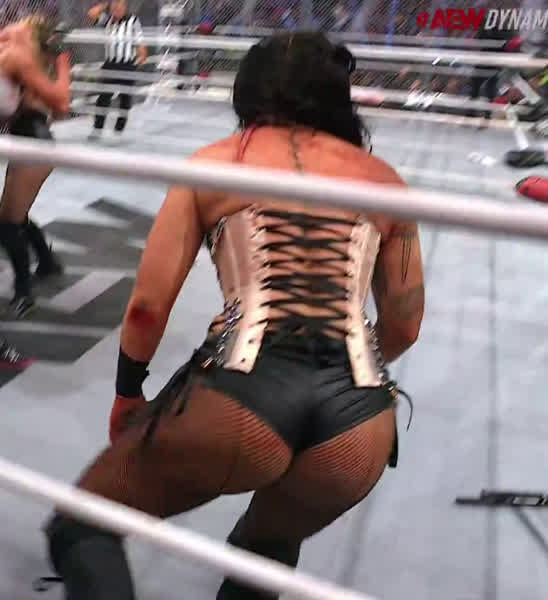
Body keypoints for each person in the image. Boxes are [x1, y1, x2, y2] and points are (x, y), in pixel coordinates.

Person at [44, 33, 424, 600]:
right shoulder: (383, 181)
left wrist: (128, 391)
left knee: (83, 524)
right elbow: (405, 324)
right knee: (266, 547)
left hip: (244, 392)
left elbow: (147, 306)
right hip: (358, 421)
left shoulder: (221, 164)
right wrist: (347, 364)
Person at [0, 14, 68, 322]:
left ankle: (24, 293)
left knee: (7, 223)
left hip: (35, 146)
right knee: (15, 214)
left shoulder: (28, 65)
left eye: (22, 27)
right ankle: (47, 261)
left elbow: (61, 108)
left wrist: (64, 67)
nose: (12, 29)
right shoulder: (23, 60)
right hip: (25, 144)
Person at [87, 0, 147, 140]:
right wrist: (106, 5)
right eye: (115, 6)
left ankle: (120, 126)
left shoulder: (133, 20)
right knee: (103, 98)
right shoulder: (107, 20)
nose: (117, 8)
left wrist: (141, 55)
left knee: (125, 98)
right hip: (110, 64)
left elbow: (140, 41)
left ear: (125, 7)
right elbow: (91, 14)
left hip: (127, 64)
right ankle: (97, 128)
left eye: (120, 5)